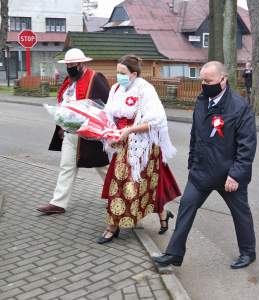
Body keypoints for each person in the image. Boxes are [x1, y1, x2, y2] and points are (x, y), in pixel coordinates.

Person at [154, 61, 257, 269]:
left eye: (208, 80)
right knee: (186, 208)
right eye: (202, 79)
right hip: (201, 172)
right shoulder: (202, 101)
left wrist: (236, 175)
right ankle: (174, 253)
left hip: (228, 176)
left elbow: (247, 146)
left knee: (241, 213)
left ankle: (248, 252)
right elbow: (196, 135)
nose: (204, 84)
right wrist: (192, 162)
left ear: (223, 80)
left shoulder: (239, 107)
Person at [98, 55, 181, 244]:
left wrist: (131, 129)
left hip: (142, 146)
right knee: (120, 183)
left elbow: (155, 121)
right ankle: (117, 224)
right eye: (117, 72)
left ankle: (113, 226)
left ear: (134, 74)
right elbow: (109, 114)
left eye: (122, 73)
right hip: (121, 141)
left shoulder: (145, 89)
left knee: (140, 185)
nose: (118, 76)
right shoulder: (116, 89)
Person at [37, 48, 110, 214]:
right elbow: (64, 104)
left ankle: (116, 196)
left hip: (90, 134)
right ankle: (58, 203)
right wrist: (62, 125)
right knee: (66, 167)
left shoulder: (95, 78)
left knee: (103, 166)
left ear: (81, 63)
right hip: (70, 133)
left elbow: (106, 105)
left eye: (72, 64)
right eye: (67, 64)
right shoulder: (68, 81)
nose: (69, 66)